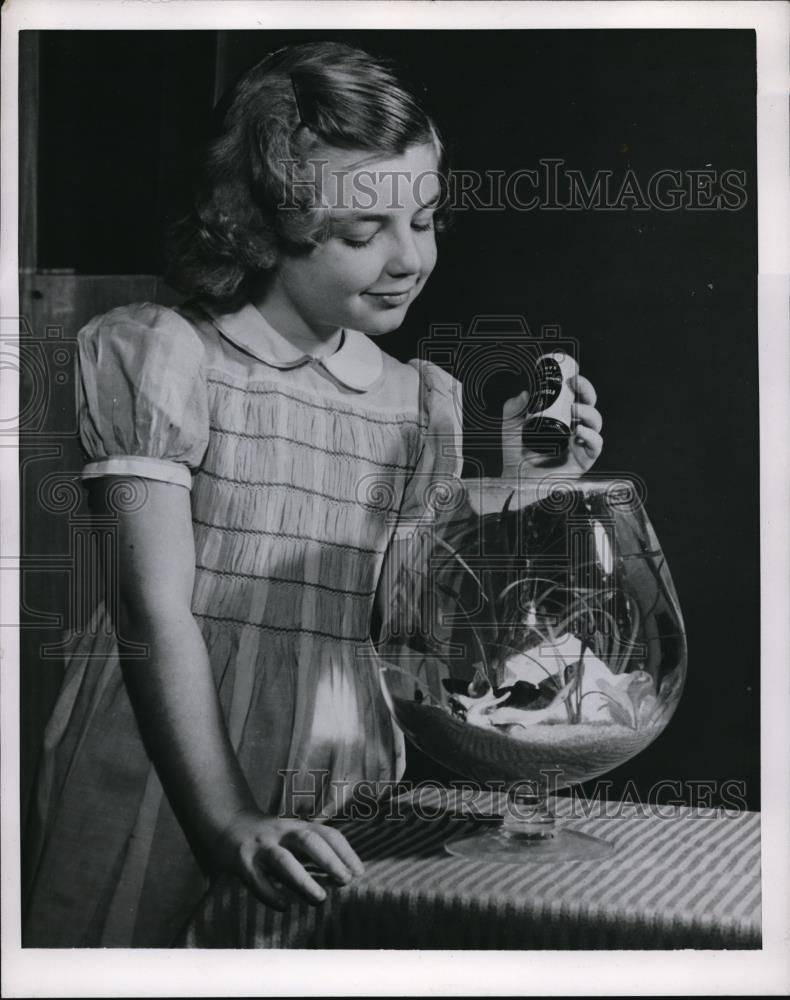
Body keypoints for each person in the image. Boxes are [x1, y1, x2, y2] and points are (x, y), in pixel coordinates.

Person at [22, 41, 603, 947]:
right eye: (363, 234)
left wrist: (520, 484)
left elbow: (420, 623)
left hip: (339, 770)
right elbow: (151, 608)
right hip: (168, 767)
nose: (409, 257)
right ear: (257, 225)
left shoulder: (420, 403)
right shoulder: (167, 359)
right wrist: (225, 820)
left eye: (428, 219)